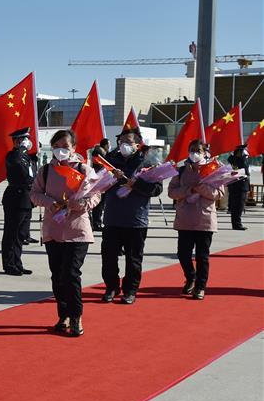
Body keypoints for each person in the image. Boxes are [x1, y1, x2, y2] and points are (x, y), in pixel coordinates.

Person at [29, 129, 100, 337]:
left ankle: (76, 315)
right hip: (53, 230)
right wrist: (51, 203)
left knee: (71, 273)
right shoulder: (46, 171)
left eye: (65, 147)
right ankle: (64, 314)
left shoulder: (84, 170)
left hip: (77, 230)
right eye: (57, 146)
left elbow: (96, 196)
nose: (61, 151)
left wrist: (77, 204)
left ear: (73, 148)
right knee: (58, 276)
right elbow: (34, 194)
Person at [100, 128, 163, 304]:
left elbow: (157, 189)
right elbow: (98, 184)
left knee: (133, 258)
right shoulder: (111, 160)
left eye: (128, 142)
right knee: (108, 256)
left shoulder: (147, 162)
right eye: (121, 142)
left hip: (136, 219)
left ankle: (130, 290)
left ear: (137, 144)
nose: (124, 145)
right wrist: (109, 178)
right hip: (112, 217)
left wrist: (134, 183)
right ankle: (111, 287)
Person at [168, 140, 224, 300]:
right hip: (185, 219)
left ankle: (200, 286)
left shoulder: (214, 170)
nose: (194, 153)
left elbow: (218, 194)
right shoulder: (181, 171)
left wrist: (200, 186)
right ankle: (190, 276)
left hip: (204, 219)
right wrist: (189, 189)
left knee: (202, 256)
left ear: (206, 152)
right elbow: (172, 192)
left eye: (198, 150)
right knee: (183, 254)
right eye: (191, 150)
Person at [1, 127, 36, 275]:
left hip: (27, 198)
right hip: (15, 197)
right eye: (23, 139)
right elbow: (18, 167)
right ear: (16, 142)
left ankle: (17, 262)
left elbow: (32, 175)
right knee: (12, 233)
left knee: (21, 234)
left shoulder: (27, 157)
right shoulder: (12, 156)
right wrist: (22, 149)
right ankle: (9, 264)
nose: (27, 142)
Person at [227, 144, 250, 230]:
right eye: (243, 150)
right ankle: (237, 224)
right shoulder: (236, 160)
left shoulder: (240, 159)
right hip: (237, 186)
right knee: (237, 206)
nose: (245, 152)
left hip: (242, 186)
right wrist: (242, 156)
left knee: (239, 206)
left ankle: (237, 223)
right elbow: (242, 166)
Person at [90, 138, 111, 230]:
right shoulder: (99, 152)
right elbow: (100, 165)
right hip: (100, 179)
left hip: (102, 179)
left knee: (100, 204)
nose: (109, 146)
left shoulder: (100, 152)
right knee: (99, 203)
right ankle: (96, 223)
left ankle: (97, 222)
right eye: (108, 144)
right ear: (106, 145)